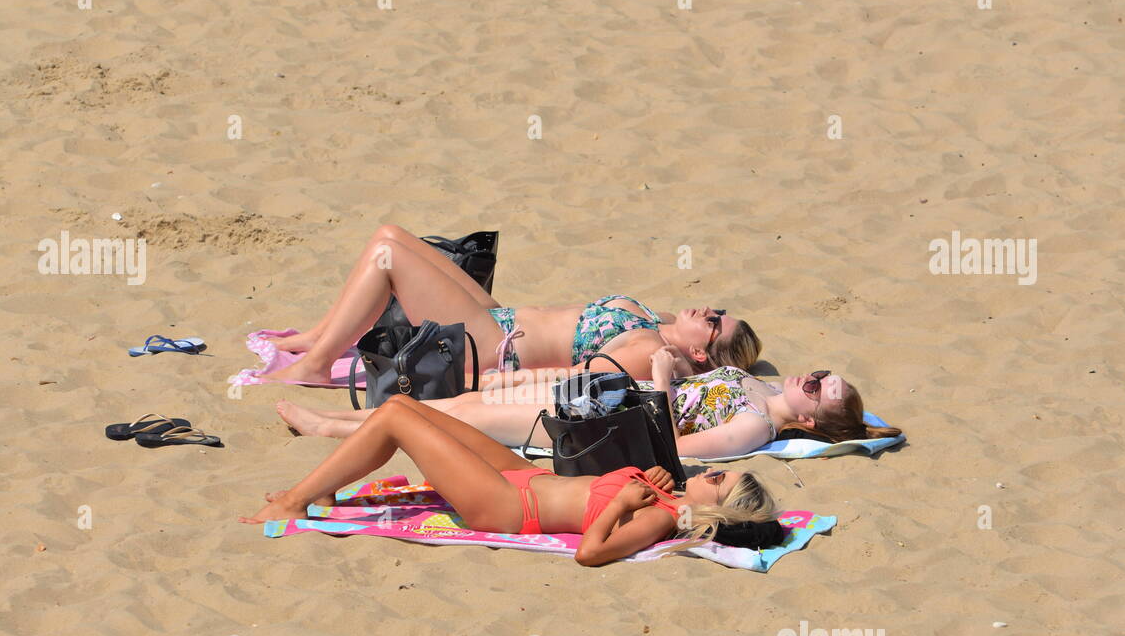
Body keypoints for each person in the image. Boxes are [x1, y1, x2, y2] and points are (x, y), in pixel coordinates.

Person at [240, 395, 780, 566]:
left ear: (719, 510)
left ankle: (292, 501)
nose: (713, 472)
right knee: (405, 405)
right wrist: (650, 480)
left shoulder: (662, 517)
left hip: (505, 506)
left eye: (721, 480)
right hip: (523, 476)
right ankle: (325, 487)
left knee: (394, 421)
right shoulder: (666, 491)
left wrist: (622, 507)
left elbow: (591, 554)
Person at [256, 224, 760, 384]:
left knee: (389, 258)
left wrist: (497, 383)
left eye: (714, 324)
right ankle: (314, 340)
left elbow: (569, 380)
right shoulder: (662, 322)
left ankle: (317, 366)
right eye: (715, 308)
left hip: (493, 348)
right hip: (499, 316)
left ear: (701, 355)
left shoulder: (652, 352)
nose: (707, 312)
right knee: (389, 235)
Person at [273, 348, 902, 459]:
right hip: (602, 393)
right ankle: (340, 421)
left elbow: (671, 448)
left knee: (456, 418)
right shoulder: (760, 386)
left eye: (821, 389)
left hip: (596, 423)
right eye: (821, 371)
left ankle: (332, 430)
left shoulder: (754, 426)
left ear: (813, 419)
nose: (813, 378)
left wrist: (659, 382)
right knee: (464, 398)